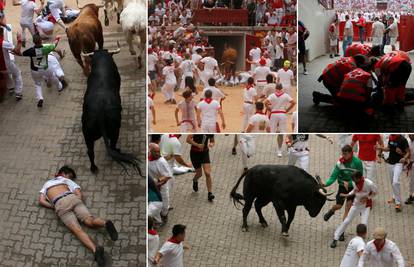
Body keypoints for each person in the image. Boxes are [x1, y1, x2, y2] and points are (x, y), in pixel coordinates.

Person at [38, 166, 118, 267]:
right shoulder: (66, 181)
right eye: (69, 176)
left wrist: (54, 206)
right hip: (72, 198)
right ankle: (105, 223)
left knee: (77, 230)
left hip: (59, 203)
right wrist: (77, 202)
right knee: (90, 221)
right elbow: (78, 193)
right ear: (63, 173)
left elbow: (41, 201)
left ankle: (95, 249)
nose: (70, 178)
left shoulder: (47, 184)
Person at [322, 144, 363, 242]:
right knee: (338, 206)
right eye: (342, 154)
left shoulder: (357, 162)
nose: (343, 156)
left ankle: (341, 232)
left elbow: (360, 177)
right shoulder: (340, 163)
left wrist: (349, 183)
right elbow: (333, 176)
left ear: (351, 153)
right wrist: (325, 184)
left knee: (347, 210)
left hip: (352, 188)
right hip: (342, 187)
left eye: (345, 154)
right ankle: (332, 210)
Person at [330, 171, 377, 248]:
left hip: (365, 206)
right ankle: (335, 238)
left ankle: (361, 243)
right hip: (356, 204)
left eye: (355, 180)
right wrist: (347, 195)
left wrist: (367, 197)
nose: (353, 181)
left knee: (363, 224)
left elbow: (376, 192)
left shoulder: (369, 183)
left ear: (359, 178)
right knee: (347, 221)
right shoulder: (354, 182)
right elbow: (355, 190)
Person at [22, 34, 63, 107]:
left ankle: (40, 98)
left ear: (34, 42)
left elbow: (20, 53)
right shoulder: (46, 48)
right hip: (45, 68)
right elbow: (55, 45)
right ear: (41, 41)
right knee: (53, 76)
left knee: (37, 84)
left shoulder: (30, 50)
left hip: (35, 71)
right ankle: (59, 87)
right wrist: (57, 38)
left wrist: (15, 51)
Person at [378, 134, 410, 212]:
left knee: (395, 182)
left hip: (398, 163)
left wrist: (404, 158)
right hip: (390, 162)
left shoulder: (402, 139)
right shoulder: (391, 137)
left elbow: (408, 152)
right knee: (392, 182)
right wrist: (380, 148)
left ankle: (398, 203)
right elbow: (388, 149)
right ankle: (394, 196)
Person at [148, 143, 173, 221]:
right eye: (155, 152)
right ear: (150, 151)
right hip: (151, 185)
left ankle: (165, 215)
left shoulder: (162, 162)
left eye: (158, 151)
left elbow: (168, 176)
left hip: (162, 186)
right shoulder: (147, 157)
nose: (158, 154)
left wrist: (158, 183)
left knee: (165, 203)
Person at [187, 134, 215, 201]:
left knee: (207, 173)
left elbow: (212, 141)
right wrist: (197, 145)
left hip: (205, 153)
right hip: (194, 154)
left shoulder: (210, 131)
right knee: (199, 174)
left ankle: (210, 193)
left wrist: (211, 144)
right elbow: (188, 139)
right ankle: (195, 180)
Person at [0, 28, 23, 101]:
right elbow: (17, 51)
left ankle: (10, 88)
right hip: (6, 65)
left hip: (1, 68)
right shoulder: (3, 43)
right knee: (17, 73)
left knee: (6, 75)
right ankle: (18, 93)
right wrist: (19, 40)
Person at [406, 134, 414, 205]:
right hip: (410, 165)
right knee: (411, 181)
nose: (410, 135)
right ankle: (411, 196)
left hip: (412, 163)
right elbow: (407, 153)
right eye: (409, 134)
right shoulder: (407, 141)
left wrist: (411, 162)